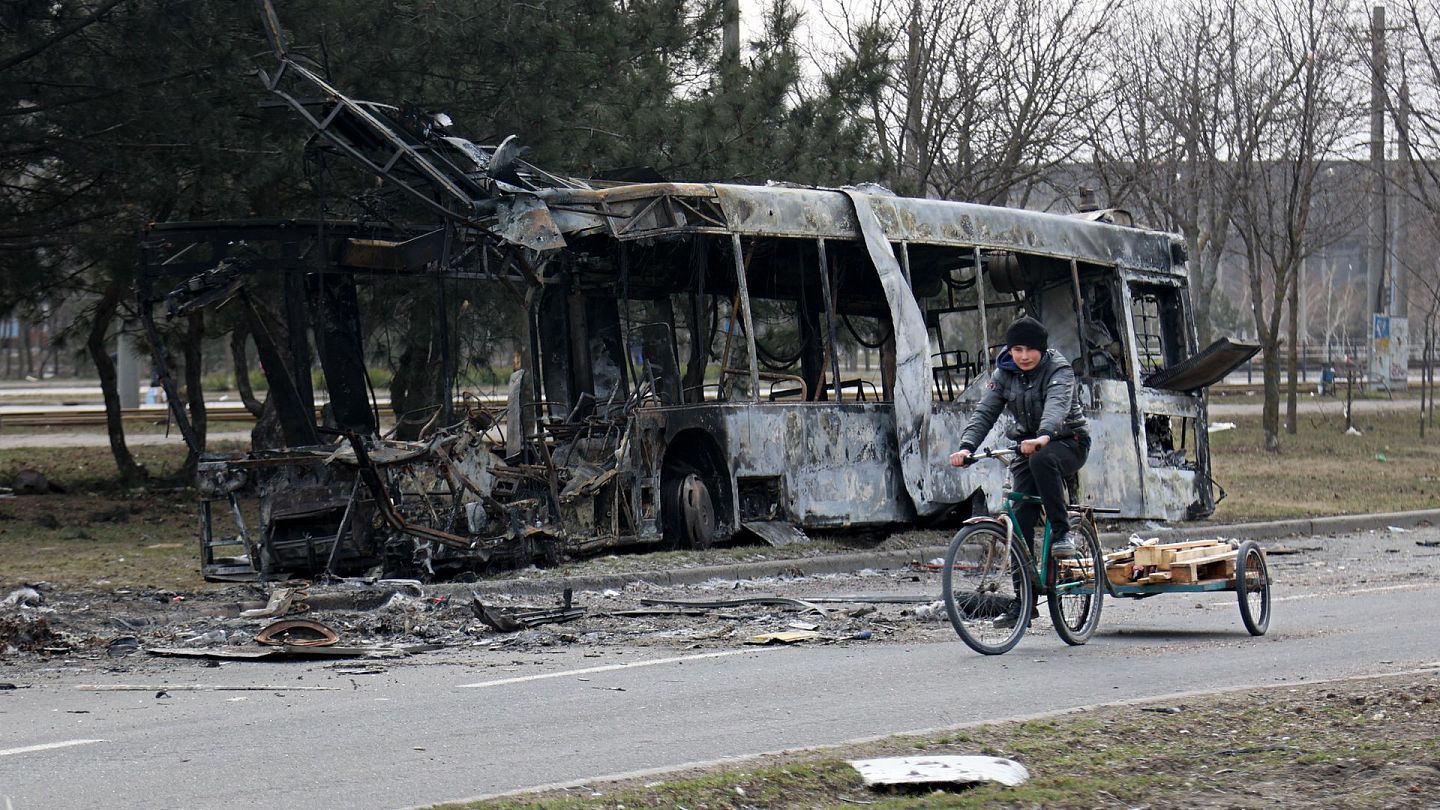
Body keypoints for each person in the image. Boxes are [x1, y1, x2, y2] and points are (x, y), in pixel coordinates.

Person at [948, 315, 1090, 559]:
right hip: (1028, 445)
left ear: (1042, 350)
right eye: (1017, 349)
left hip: (1068, 440)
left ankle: (1062, 532)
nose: (1024, 356)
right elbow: (985, 411)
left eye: (1031, 350)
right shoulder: (1003, 374)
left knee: (1042, 460)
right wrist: (966, 447)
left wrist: (1044, 435)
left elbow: (1057, 406)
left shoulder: (1059, 369)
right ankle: (1023, 595)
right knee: (1020, 519)